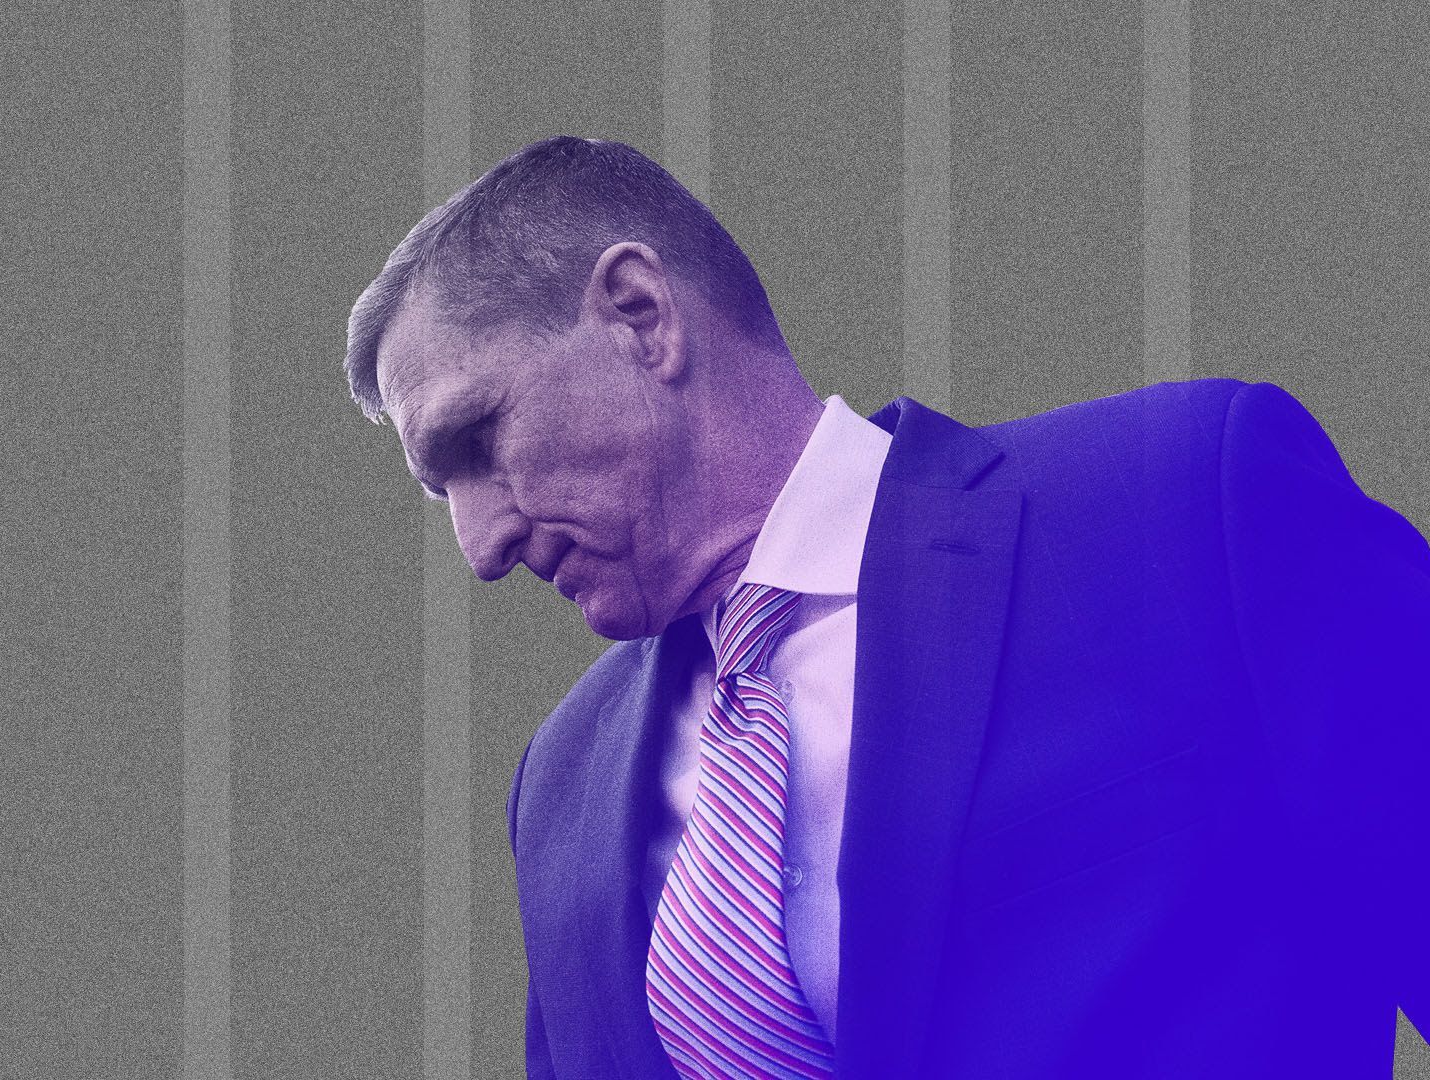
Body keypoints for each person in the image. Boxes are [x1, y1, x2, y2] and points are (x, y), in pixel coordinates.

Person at [342, 135, 1430, 1079]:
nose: (480, 546)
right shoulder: (558, 789)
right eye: (443, 493)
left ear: (641, 315)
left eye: (477, 440)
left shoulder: (1184, 507)